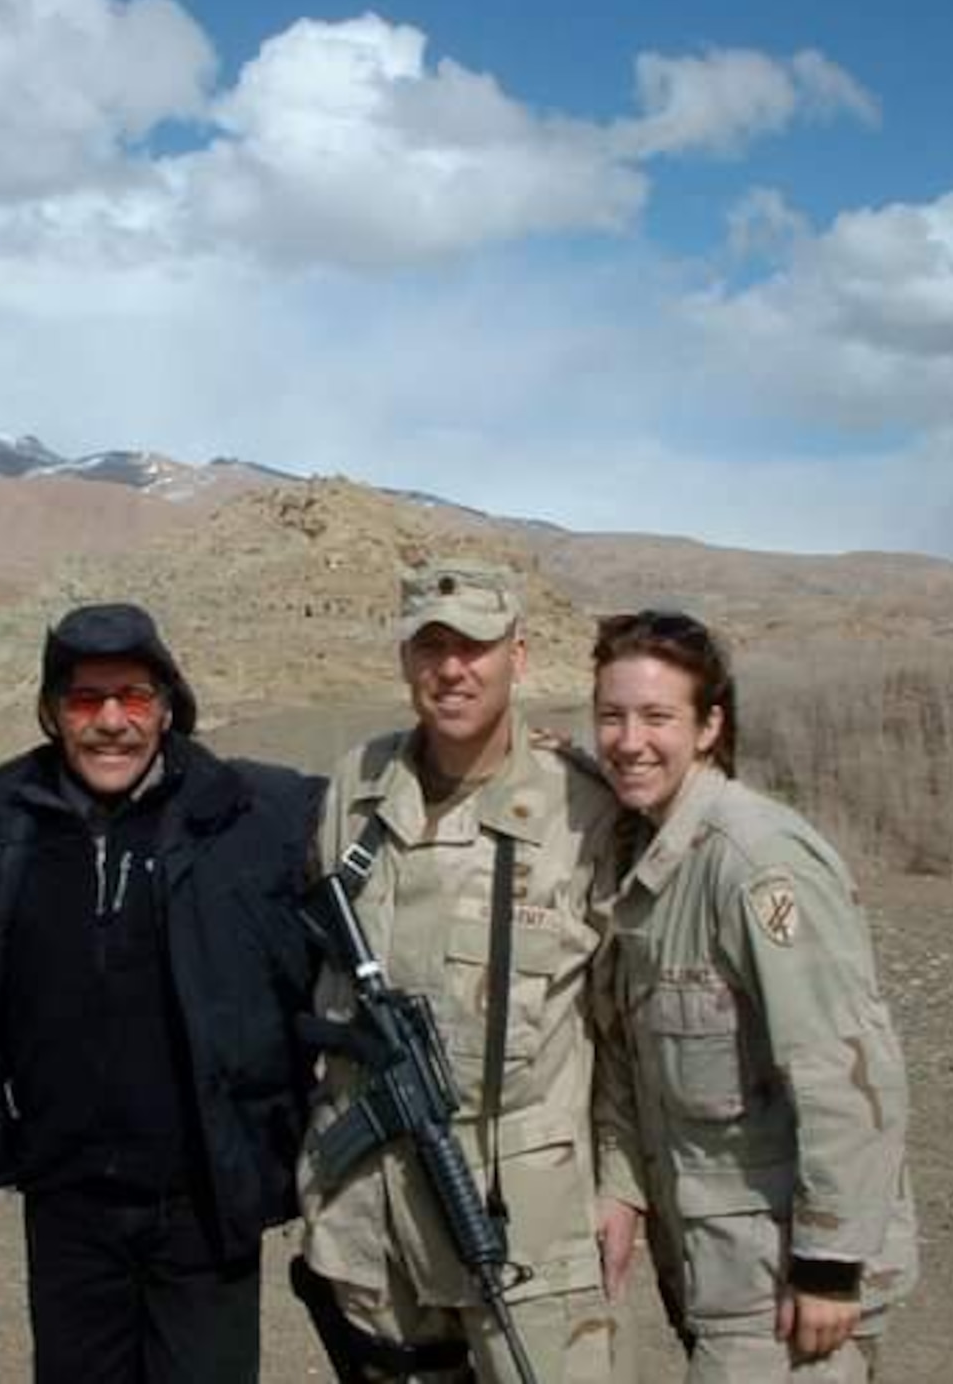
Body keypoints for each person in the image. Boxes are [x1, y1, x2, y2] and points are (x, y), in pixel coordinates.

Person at [0, 601, 322, 1384]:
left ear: (168, 706)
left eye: (134, 698)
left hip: (207, 1207)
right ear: (51, 713)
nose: (111, 722)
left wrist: (526, 764)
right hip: (67, 1204)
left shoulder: (251, 811)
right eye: (85, 700)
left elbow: (390, 800)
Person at [297, 560, 635, 1383]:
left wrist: (624, 1188)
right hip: (371, 1214)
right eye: (430, 647)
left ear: (517, 657)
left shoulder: (583, 811)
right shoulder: (359, 784)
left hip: (522, 1213)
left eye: (475, 648)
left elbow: (622, 1027)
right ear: (406, 660)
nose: (452, 669)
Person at [586, 609, 917, 1383]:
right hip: (723, 1271)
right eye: (611, 716)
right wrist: (626, 1191)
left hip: (789, 1284)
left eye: (657, 716)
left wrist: (831, 1265)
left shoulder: (755, 863)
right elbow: (640, 1062)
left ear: (709, 727)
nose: (630, 740)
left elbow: (848, 1071)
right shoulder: (649, 861)